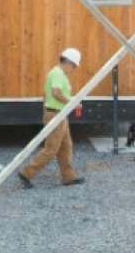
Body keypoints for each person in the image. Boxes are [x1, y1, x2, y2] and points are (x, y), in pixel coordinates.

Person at [20, 47, 86, 187]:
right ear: (68, 62)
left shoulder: (54, 73)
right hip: (56, 114)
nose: (73, 69)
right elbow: (56, 92)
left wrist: (47, 111)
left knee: (65, 147)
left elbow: (46, 94)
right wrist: (72, 103)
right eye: (73, 66)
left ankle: (68, 177)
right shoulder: (57, 74)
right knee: (51, 149)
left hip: (58, 114)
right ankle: (26, 173)